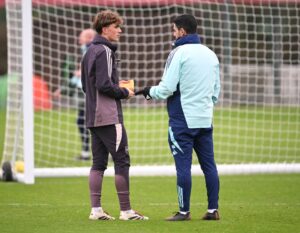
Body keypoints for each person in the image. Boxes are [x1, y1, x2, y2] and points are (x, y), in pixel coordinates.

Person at [136, 14, 221, 221]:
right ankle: (213, 210)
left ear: (182, 31)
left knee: (183, 167)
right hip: (204, 119)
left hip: (182, 120)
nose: (173, 34)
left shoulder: (178, 52)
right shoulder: (211, 54)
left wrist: (148, 91)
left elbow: (166, 88)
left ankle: (184, 212)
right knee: (209, 165)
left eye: (174, 30)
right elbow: (215, 91)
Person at [81, 10, 148, 221]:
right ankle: (126, 211)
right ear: (105, 28)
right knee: (122, 160)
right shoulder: (105, 51)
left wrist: (115, 88)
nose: (120, 30)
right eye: (116, 26)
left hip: (92, 115)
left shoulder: (89, 51)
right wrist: (123, 92)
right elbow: (103, 85)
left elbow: (87, 86)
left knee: (98, 163)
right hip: (109, 116)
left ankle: (96, 210)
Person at [54, 29, 96, 160]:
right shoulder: (86, 50)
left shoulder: (91, 49)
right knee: (84, 121)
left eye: (81, 37)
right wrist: (63, 88)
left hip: (92, 93)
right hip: (84, 92)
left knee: (94, 123)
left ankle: (94, 153)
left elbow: (89, 70)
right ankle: (86, 153)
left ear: (89, 38)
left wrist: (81, 72)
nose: (79, 40)